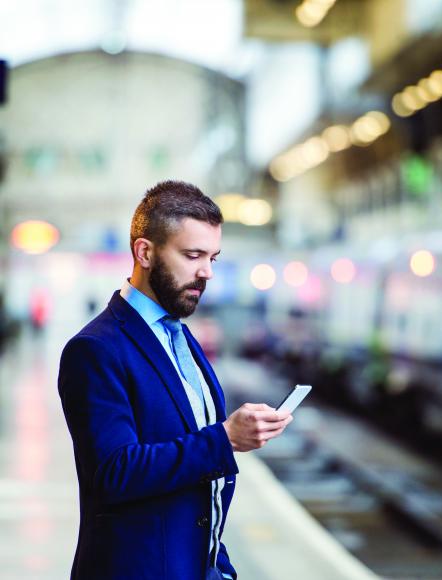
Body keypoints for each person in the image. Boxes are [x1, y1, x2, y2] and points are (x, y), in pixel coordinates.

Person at [58, 180, 293, 580]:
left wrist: (220, 568)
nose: (207, 273)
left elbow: (204, 492)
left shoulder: (181, 337)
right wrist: (225, 439)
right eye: (193, 255)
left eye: (213, 258)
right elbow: (114, 473)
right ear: (144, 252)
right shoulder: (95, 349)